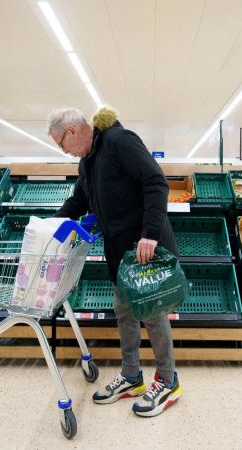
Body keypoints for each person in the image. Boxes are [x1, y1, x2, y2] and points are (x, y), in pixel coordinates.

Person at [47, 106, 182, 418]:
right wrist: (48, 225)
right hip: (120, 253)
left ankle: (168, 380)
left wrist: (150, 234)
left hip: (146, 249)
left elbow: (155, 182)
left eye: (60, 144)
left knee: (152, 313)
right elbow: (78, 200)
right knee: (124, 313)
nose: (63, 151)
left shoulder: (120, 141)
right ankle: (132, 375)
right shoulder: (87, 161)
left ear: (71, 131)